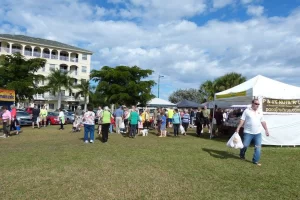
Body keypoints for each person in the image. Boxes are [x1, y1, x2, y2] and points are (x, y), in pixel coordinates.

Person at [236, 99, 270, 166]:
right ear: (252, 103)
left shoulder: (260, 112)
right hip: (248, 132)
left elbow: (263, 121)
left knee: (258, 147)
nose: (257, 105)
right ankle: (242, 154)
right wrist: (238, 128)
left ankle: (255, 161)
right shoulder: (247, 111)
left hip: (257, 133)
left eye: (258, 104)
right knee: (245, 145)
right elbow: (242, 120)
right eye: (256, 103)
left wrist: (266, 130)